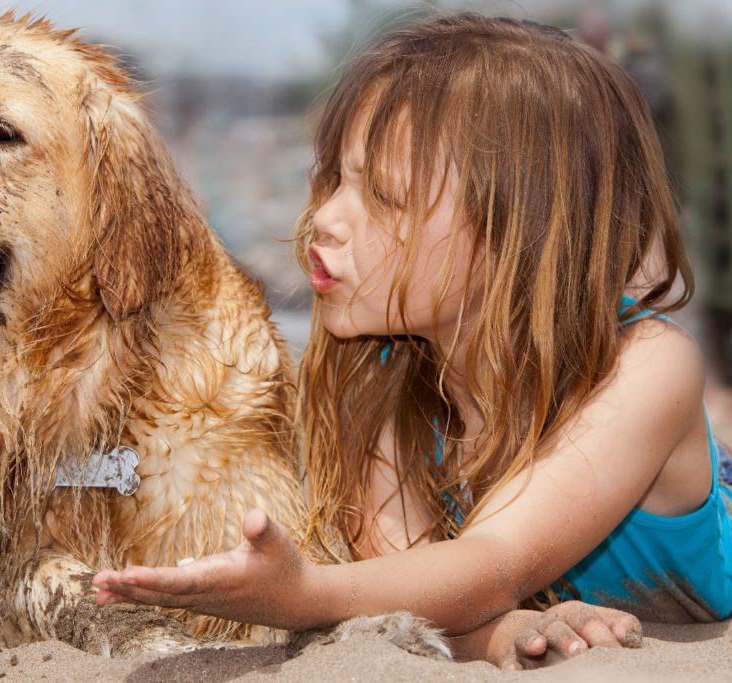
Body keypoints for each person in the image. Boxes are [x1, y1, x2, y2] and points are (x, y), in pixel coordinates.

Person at [93, 13, 732, 669]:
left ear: (521, 234)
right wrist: (506, 630)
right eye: (334, 178)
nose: (325, 218)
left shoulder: (648, 363)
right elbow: (413, 588)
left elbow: (490, 564)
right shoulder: (383, 373)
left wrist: (301, 593)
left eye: (383, 195)